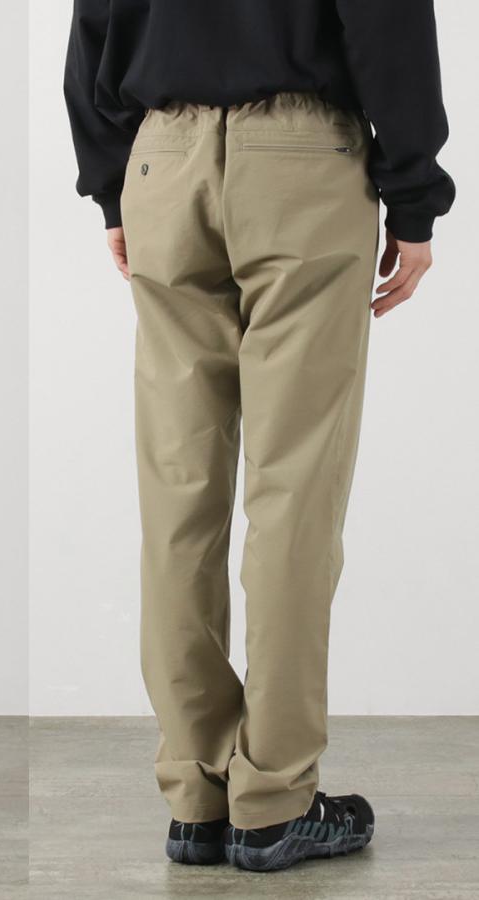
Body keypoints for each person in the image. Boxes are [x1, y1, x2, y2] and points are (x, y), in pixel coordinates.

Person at [65, 0, 454, 873]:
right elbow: (386, 20)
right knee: (294, 490)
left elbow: (95, 23)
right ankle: (274, 800)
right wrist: (415, 193)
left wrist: (113, 180)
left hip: (162, 160)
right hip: (301, 165)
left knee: (179, 491)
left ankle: (198, 794)